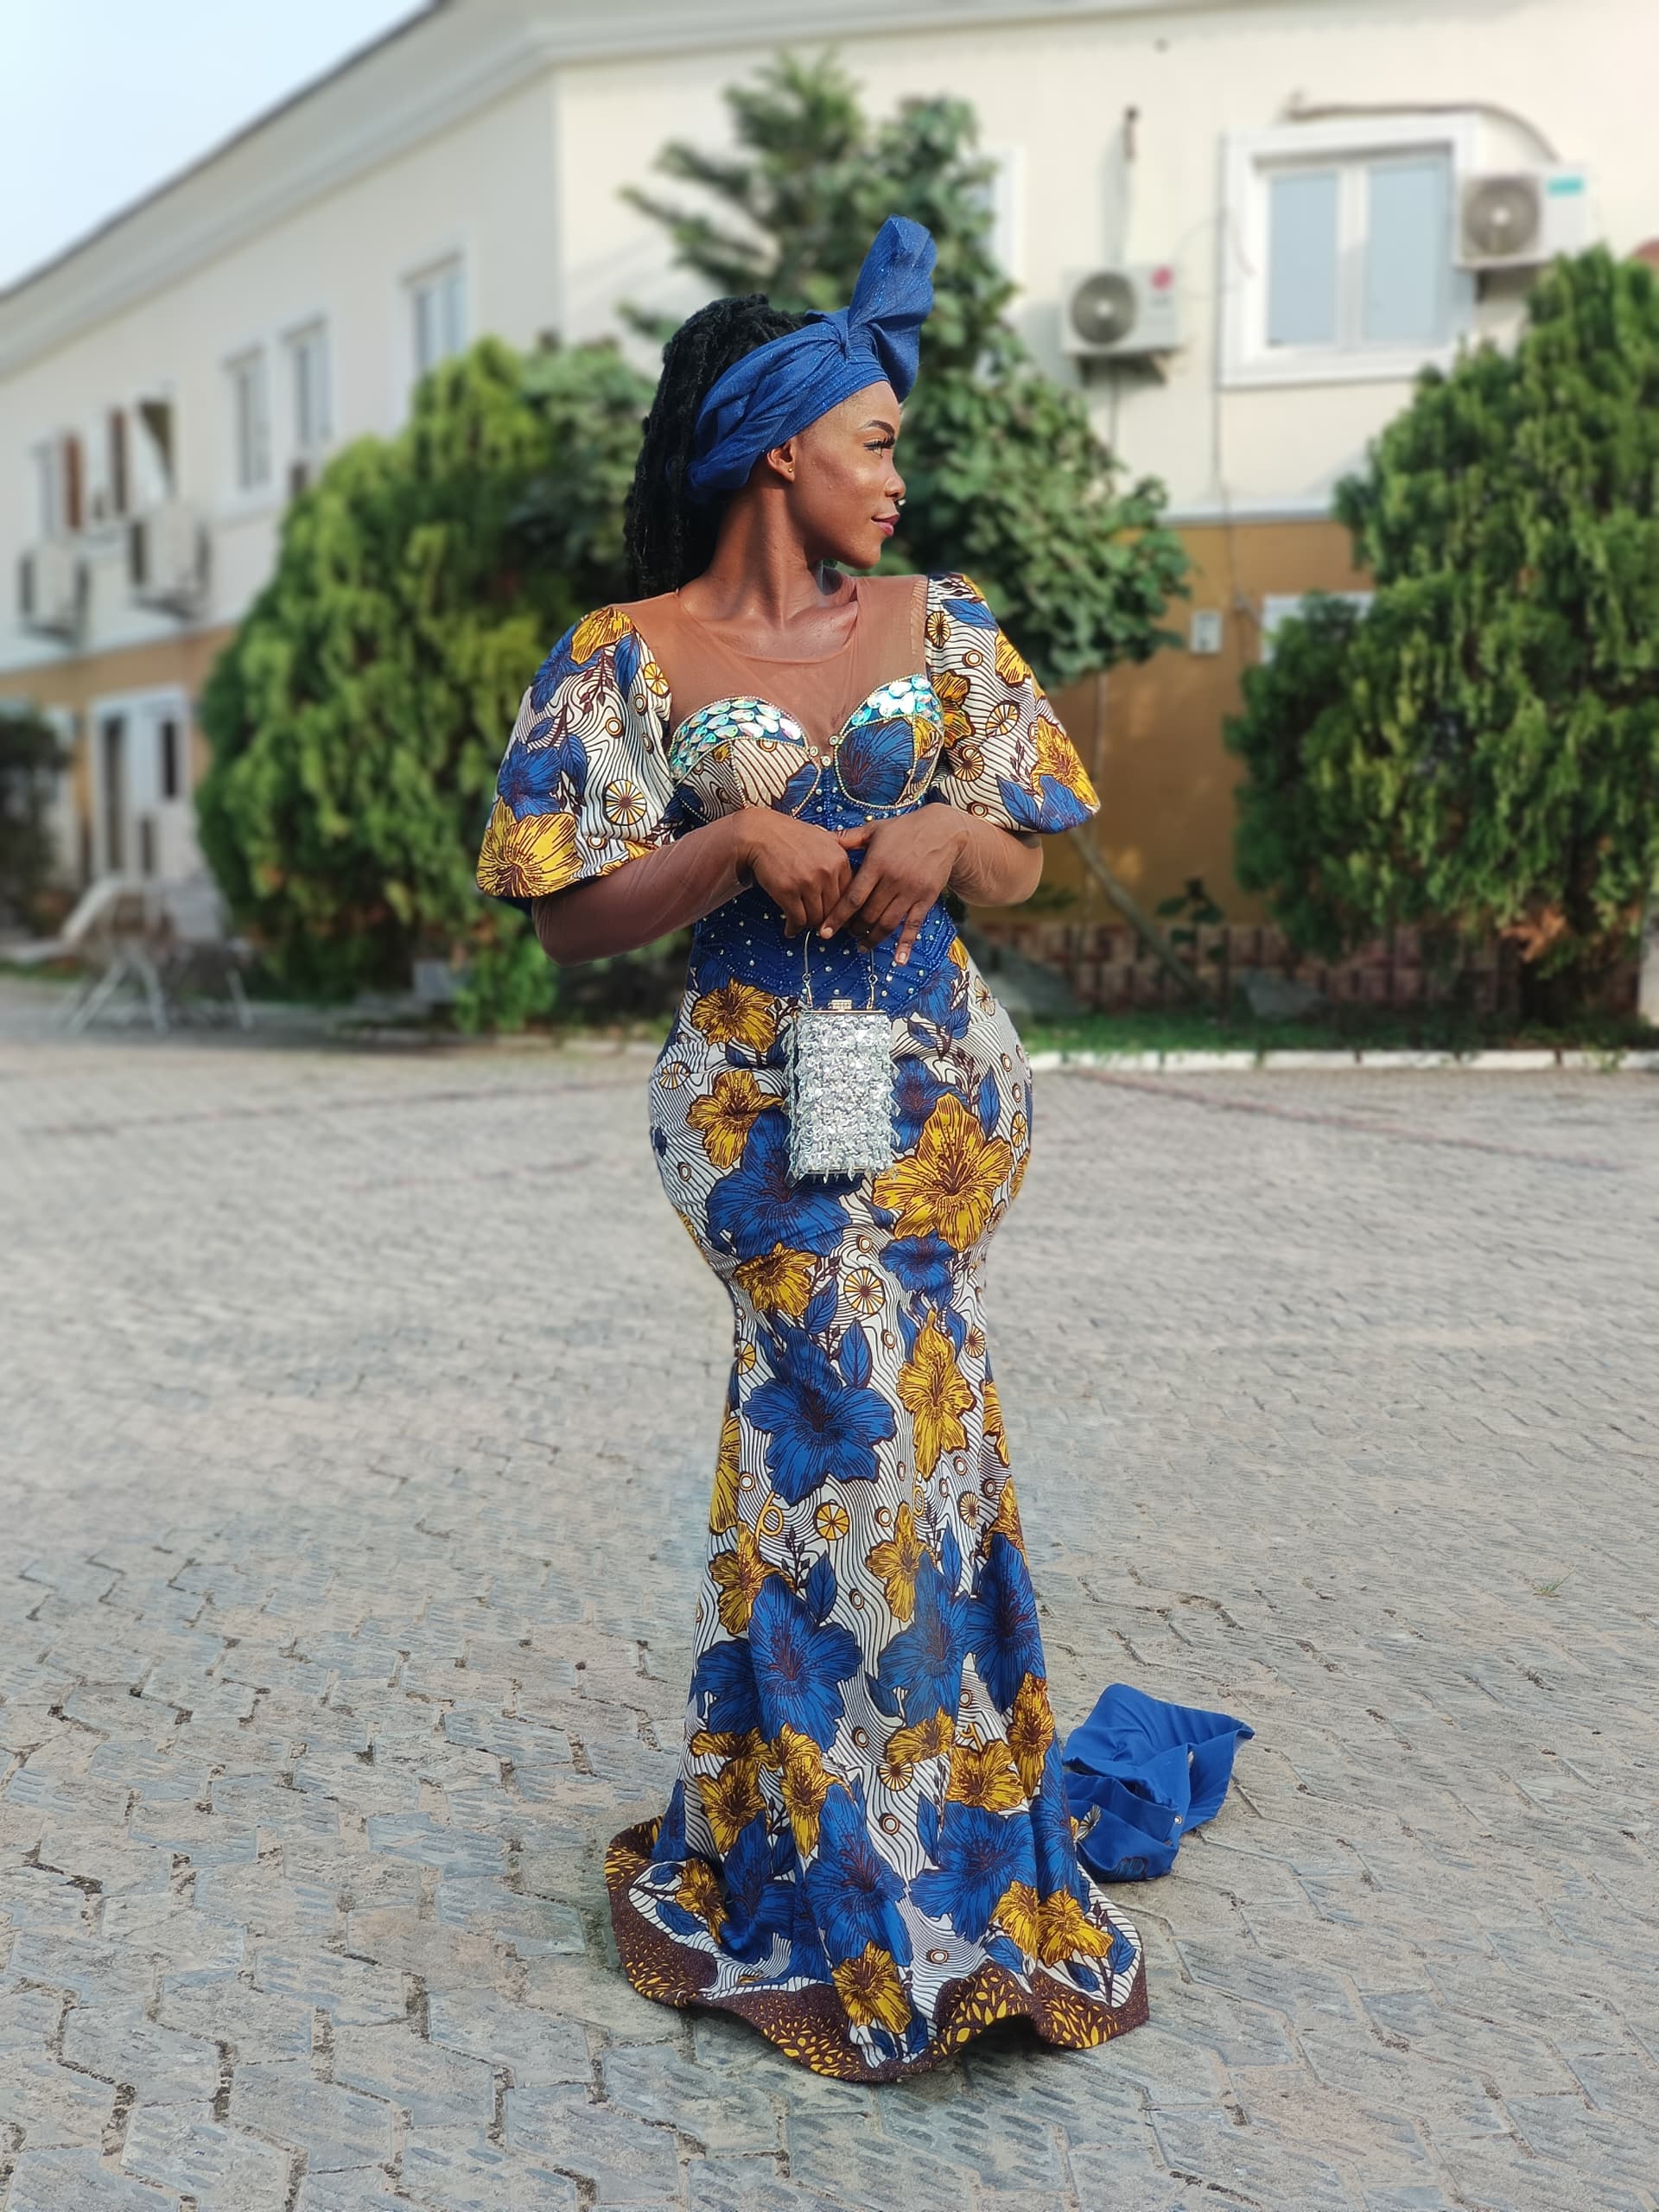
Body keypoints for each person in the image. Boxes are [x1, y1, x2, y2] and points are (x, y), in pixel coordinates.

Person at [476, 217, 1146, 2080]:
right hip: (754, 1101)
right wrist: (727, 845)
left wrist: (948, 838)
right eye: (875, 441)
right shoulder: (625, 655)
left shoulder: (946, 623)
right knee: (843, 1433)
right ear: (780, 450)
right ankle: (868, 1885)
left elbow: (1025, 849)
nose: (897, 475)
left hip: (937, 1090)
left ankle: (933, 1831)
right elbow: (566, 918)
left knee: (915, 1437)